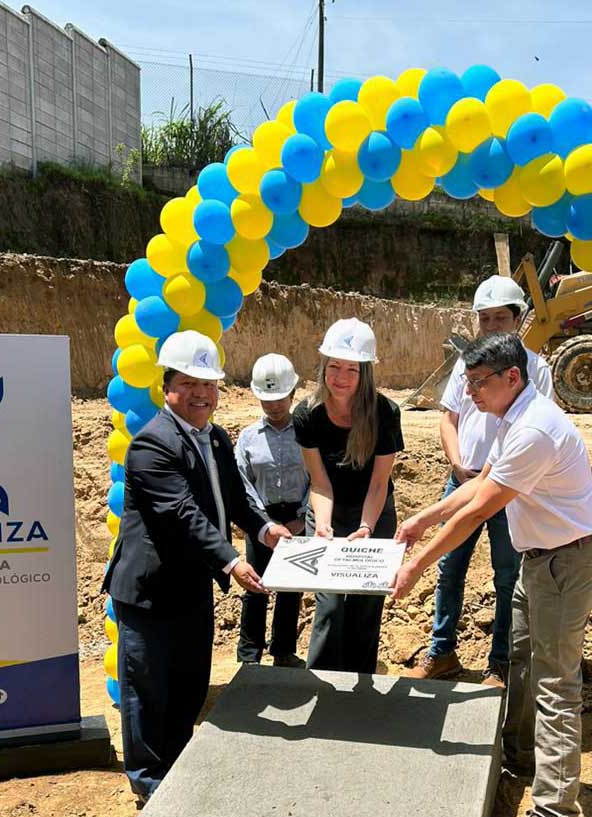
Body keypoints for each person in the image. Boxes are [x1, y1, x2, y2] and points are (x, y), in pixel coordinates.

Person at [392, 333, 592, 817]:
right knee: (518, 661)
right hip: (542, 561)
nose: (470, 394)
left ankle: (557, 816)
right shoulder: (513, 418)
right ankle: (522, 759)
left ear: (512, 377)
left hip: (565, 562)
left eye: (477, 383)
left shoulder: (535, 429)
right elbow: (478, 481)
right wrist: (423, 517)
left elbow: (480, 509)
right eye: (466, 383)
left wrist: (418, 565)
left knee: (555, 684)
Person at [103, 330, 291, 802]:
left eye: (209, 386)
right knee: (147, 692)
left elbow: (234, 497)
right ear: (168, 388)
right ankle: (149, 784)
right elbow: (181, 513)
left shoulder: (217, 439)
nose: (201, 395)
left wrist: (266, 530)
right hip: (148, 591)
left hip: (191, 586)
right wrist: (230, 562)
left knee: (189, 684)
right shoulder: (151, 446)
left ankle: (178, 768)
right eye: (190, 384)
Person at [406, 275, 554, 688]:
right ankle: (442, 651)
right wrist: (456, 465)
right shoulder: (465, 364)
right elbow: (448, 417)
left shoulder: (535, 369)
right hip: (464, 478)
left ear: (518, 318)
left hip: (509, 488)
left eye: (499, 318)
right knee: (449, 566)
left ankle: (500, 663)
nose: (491, 326)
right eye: (484, 318)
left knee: (507, 576)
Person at [293, 317, 404, 674]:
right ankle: (322, 681)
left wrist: (367, 528)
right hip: (328, 512)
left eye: (351, 370)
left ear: (365, 373)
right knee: (329, 605)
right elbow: (319, 483)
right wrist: (323, 526)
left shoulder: (386, 414)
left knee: (365, 604)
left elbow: (378, 484)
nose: (340, 377)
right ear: (323, 366)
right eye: (334, 367)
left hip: (374, 513)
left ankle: (360, 683)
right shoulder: (306, 415)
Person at [234, 353, 310, 668]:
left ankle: (283, 651)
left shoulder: (306, 433)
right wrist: (262, 525)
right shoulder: (248, 438)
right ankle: (248, 656)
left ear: (293, 394)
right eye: (267, 399)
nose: (274, 405)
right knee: (256, 586)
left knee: (290, 588)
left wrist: (302, 518)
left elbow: (317, 479)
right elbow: (242, 482)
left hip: (297, 518)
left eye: (280, 398)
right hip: (261, 520)